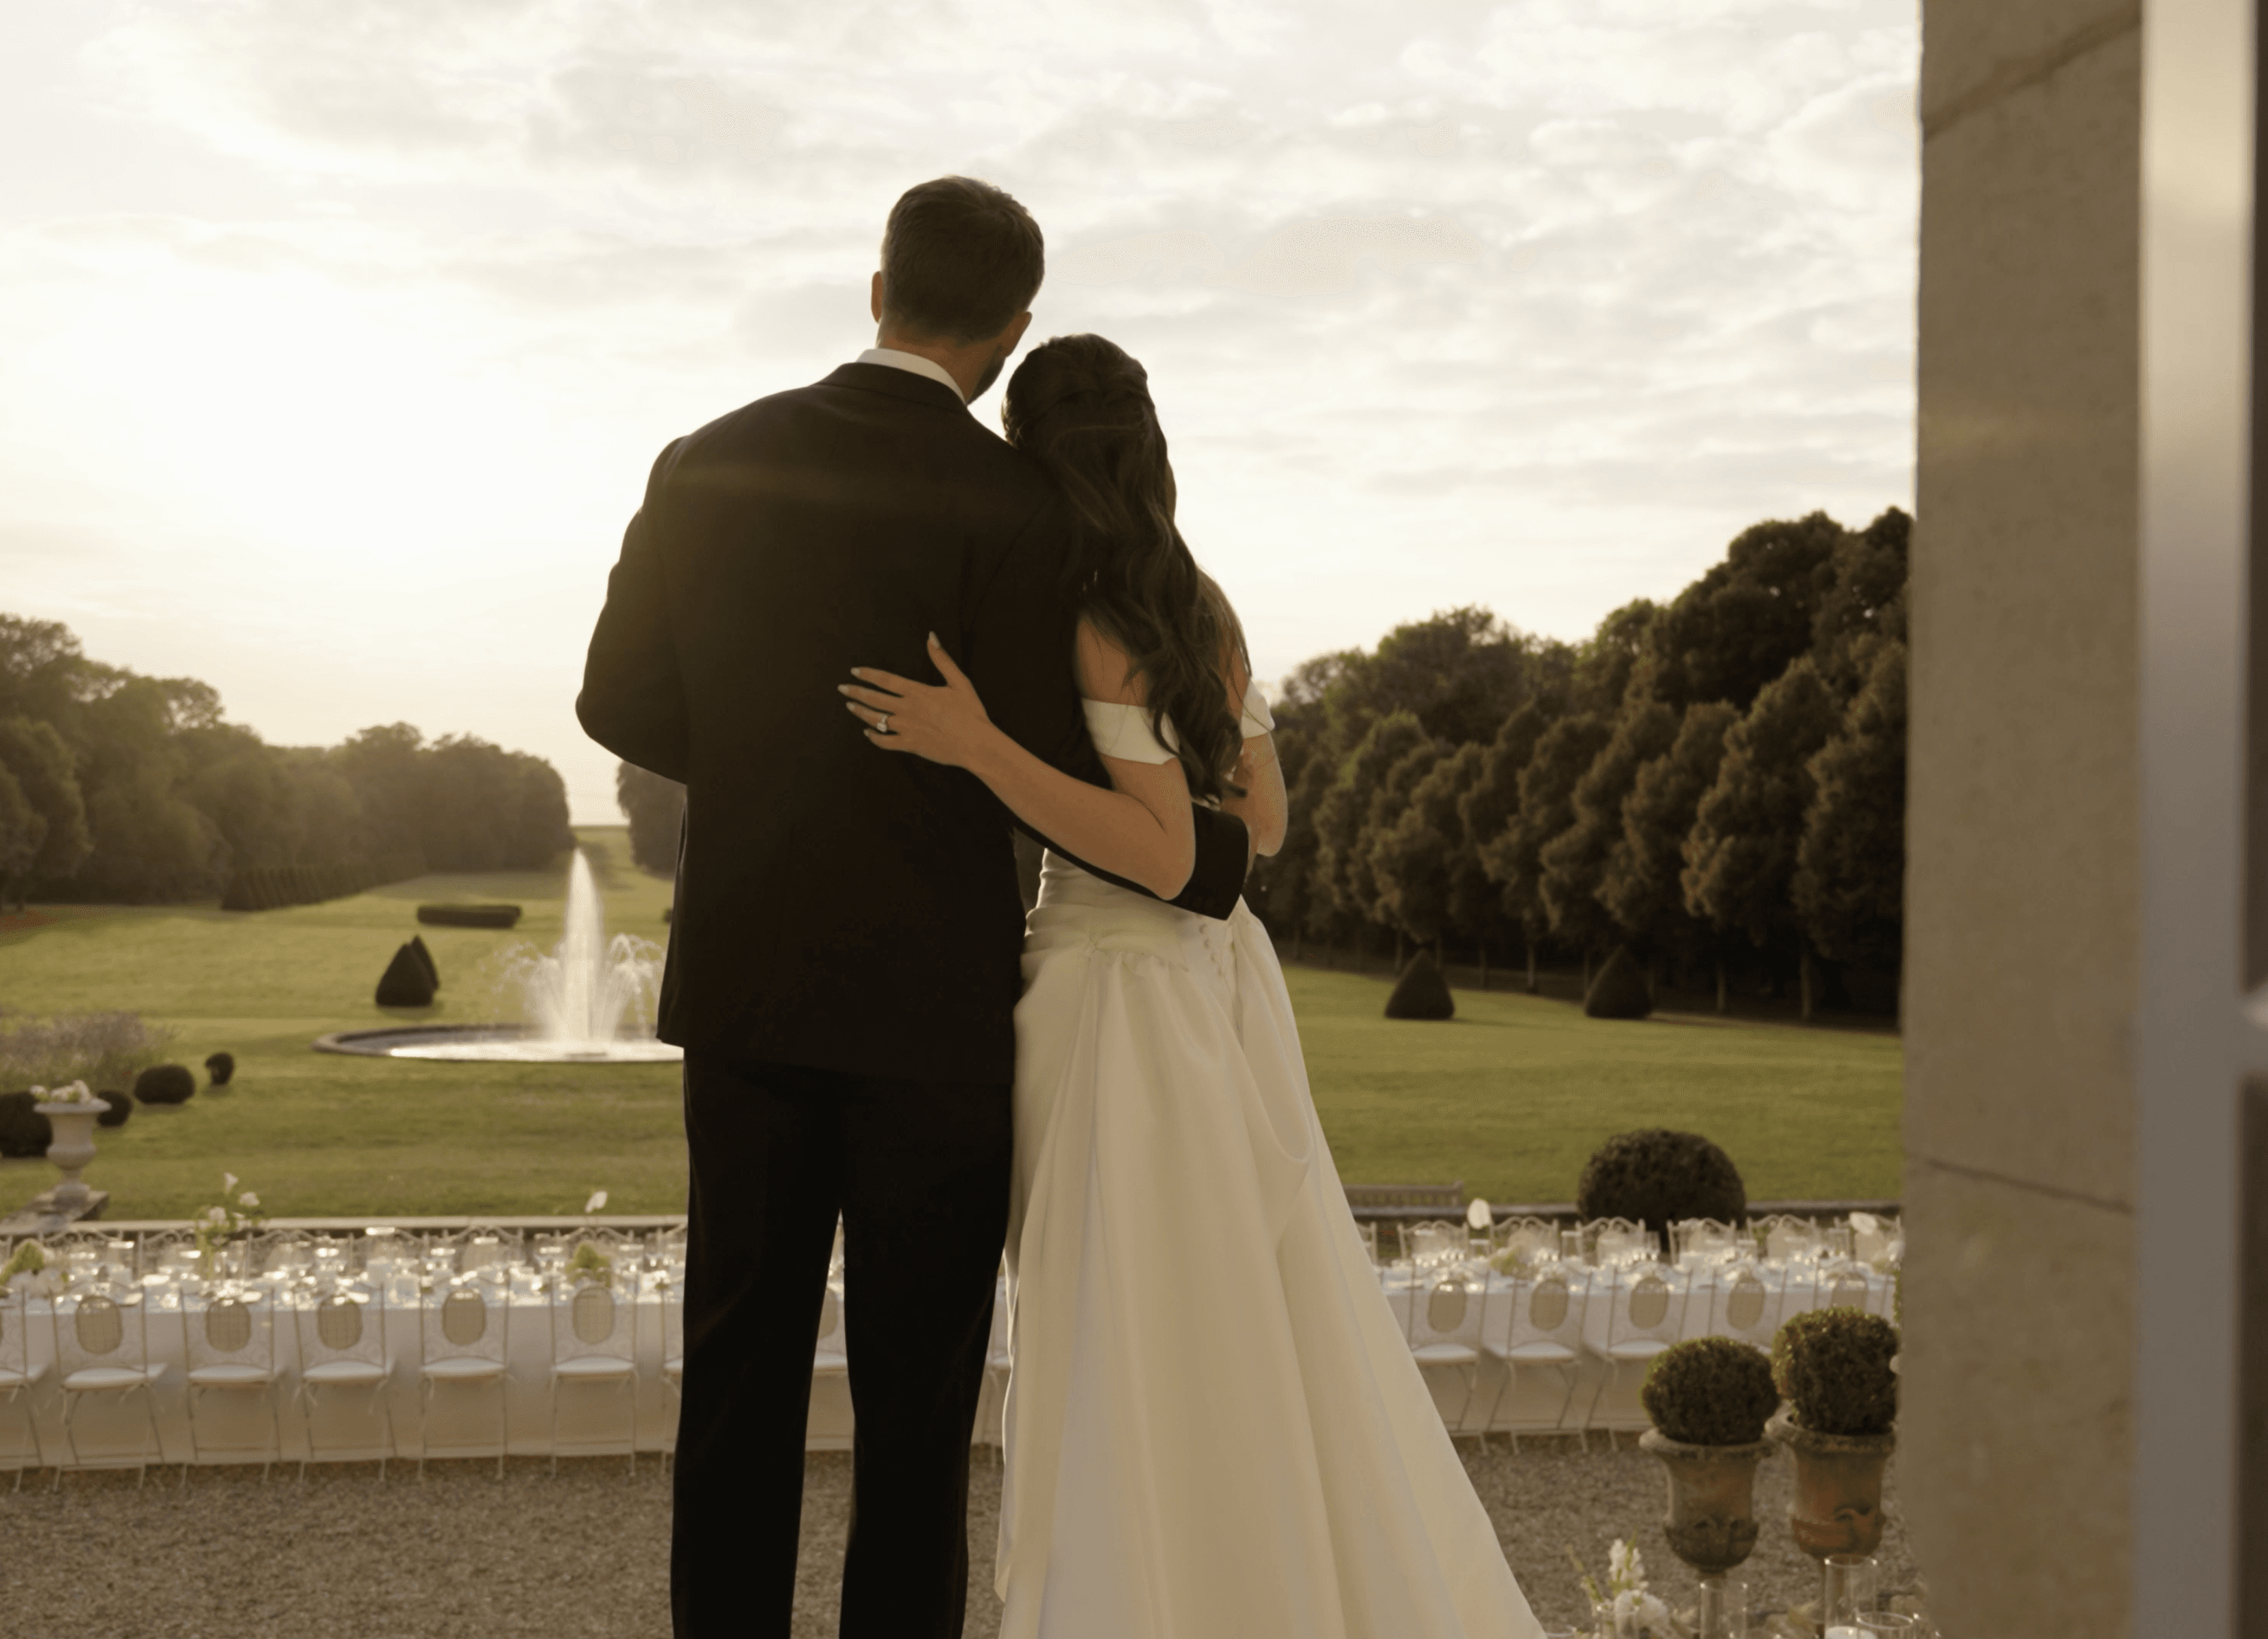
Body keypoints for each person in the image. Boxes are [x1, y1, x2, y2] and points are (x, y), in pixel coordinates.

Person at [576, 177, 1258, 1639]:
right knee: (916, 1403)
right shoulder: (1025, 508)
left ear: (873, 285)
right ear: (1009, 333)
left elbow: (612, 696)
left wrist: (773, 764)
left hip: (746, 988)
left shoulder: (703, 458)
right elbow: (1054, 755)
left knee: (738, 1369)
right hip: (935, 1014)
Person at [839, 332, 1549, 1637]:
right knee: (1229, 1314)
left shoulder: (1096, 617)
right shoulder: (1198, 605)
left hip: (1118, 1002)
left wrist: (976, 745)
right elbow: (1261, 826)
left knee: (1127, 1329)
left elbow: (1166, 853)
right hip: (1217, 992)